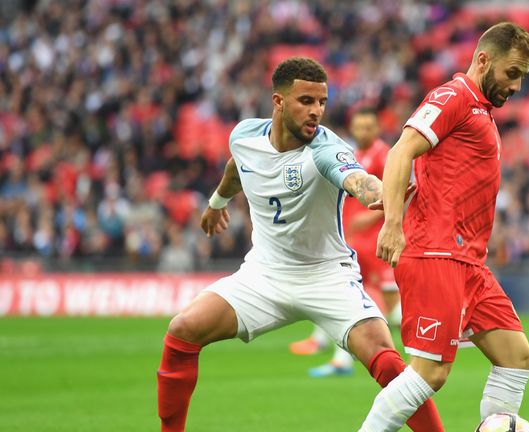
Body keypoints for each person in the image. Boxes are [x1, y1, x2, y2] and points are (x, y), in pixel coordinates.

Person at [156, 57, 444, 432]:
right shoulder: (244, 136)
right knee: (182, 329)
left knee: (388, 362)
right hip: (264, 275)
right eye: (306, 101)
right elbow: (235, 167)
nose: (316, 111)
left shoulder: (325, 149)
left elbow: (357, 178)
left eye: (322, 102)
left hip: (327, 276)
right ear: (278, 102)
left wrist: (379, 193)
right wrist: (216, 204)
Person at [358, 22, 529, 431]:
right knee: (430, 372)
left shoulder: (482, 111)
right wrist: (392, 223)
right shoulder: (453, 96)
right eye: (512, 73)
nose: (518, 85)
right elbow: (403, 148)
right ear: (483, 60)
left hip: (469, 262)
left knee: (516, 357)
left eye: (523, 76)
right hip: (435, 252)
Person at [289, 107, 404, 378]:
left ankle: (445, 331)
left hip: (377, 240)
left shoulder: (384, 155)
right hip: (353, 241)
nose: (363, 132)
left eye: (368, 127)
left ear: (377, 129)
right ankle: (336, 353)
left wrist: (376, 216)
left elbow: (397, 192)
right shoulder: (353, 155)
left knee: (386, 301)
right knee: (350, 293)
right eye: (359, 126)